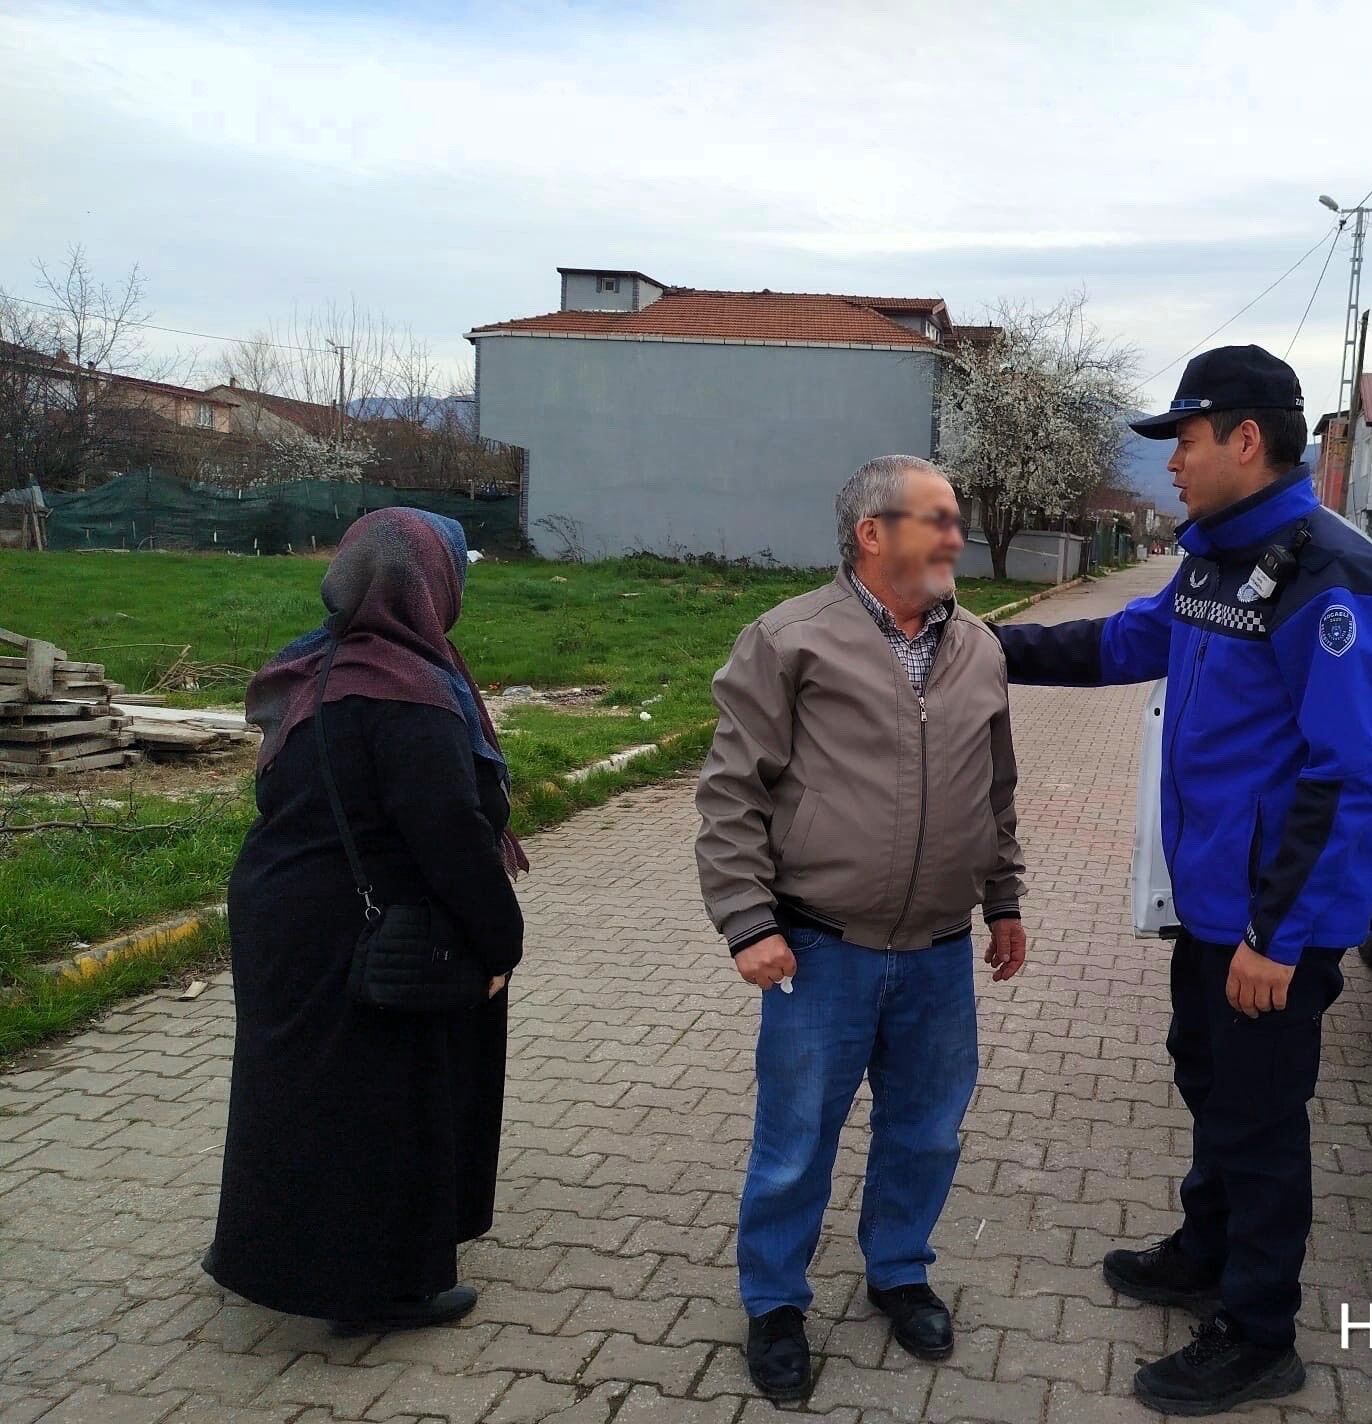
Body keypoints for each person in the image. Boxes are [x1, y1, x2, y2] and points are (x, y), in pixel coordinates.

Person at [995, 345, 1372, 1416]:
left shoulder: (1322, 570)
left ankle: (1258, 1333)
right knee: (1205, 1076)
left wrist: (1278, 936)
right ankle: (1205, 1248)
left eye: (1186, 440)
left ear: (1245, 439)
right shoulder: (1214, 557)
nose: (1172, 462)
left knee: (1259, 1119)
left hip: (1269, 922)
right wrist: (987, 649)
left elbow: (1344, 771)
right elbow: (1126, 639)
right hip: (1211, 903)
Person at [695, 455, 1028, 1402]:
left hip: (937, 952)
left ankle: (898, 1274)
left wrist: (1003, 901)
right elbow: (730, 794)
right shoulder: (790, 638)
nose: (956, 537)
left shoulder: (982, 648)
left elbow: (994, 794)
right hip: (819, 947)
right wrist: (747, 921)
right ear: (871, 533)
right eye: (937, 519)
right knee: (797, 1139)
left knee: (926, 1133)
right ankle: (774, 1303)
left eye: (956, 518)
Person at [203, 508, 527, 1333]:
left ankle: (267, 1254)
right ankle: (377, 1289)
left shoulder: (309, 665)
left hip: (281, 912)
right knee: (378, 1105)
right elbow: (449, 833)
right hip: (357, 923)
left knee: (294, 1099)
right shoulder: (408, 690)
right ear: (430, 582)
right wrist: (500, 939)